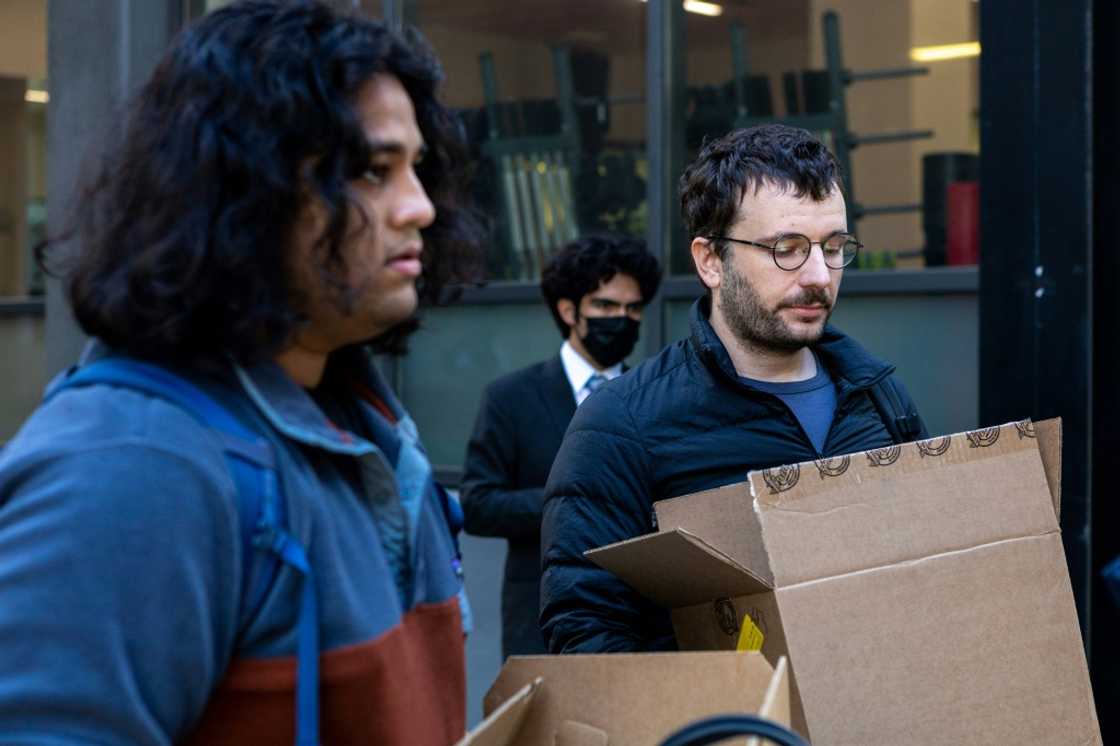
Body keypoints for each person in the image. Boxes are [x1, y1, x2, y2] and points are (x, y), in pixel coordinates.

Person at [0, 2, 483, 744]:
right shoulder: (129, 469)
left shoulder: (367, 426)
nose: (419, 206)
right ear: (244, 190)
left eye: (416, 168)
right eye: (370, 171)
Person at [539, 124, 928, 654]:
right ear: (710, 261)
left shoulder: (881, 400)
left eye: (834, 247)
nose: (818, 275)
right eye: (786, 248)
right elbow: (586, 631)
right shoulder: (620, 425)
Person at [460, 234, 661, 658]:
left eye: (633, 308)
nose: (622, 318)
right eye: (605, 306)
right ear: (569, 310)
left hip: (636, 620)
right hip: (535, 617)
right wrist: (575, 505)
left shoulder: (653, 396)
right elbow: (478, 504)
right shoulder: (509, 397)